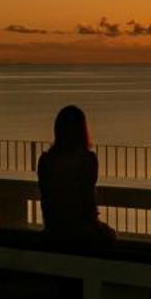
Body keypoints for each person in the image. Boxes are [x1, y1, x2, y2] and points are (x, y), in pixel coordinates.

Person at [37, 104, 115, 249]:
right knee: (110, 235)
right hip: (81, 234)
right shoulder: (87, 160)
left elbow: (46, 199)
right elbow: (86, 203)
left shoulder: (46, 161)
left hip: (53, 231)